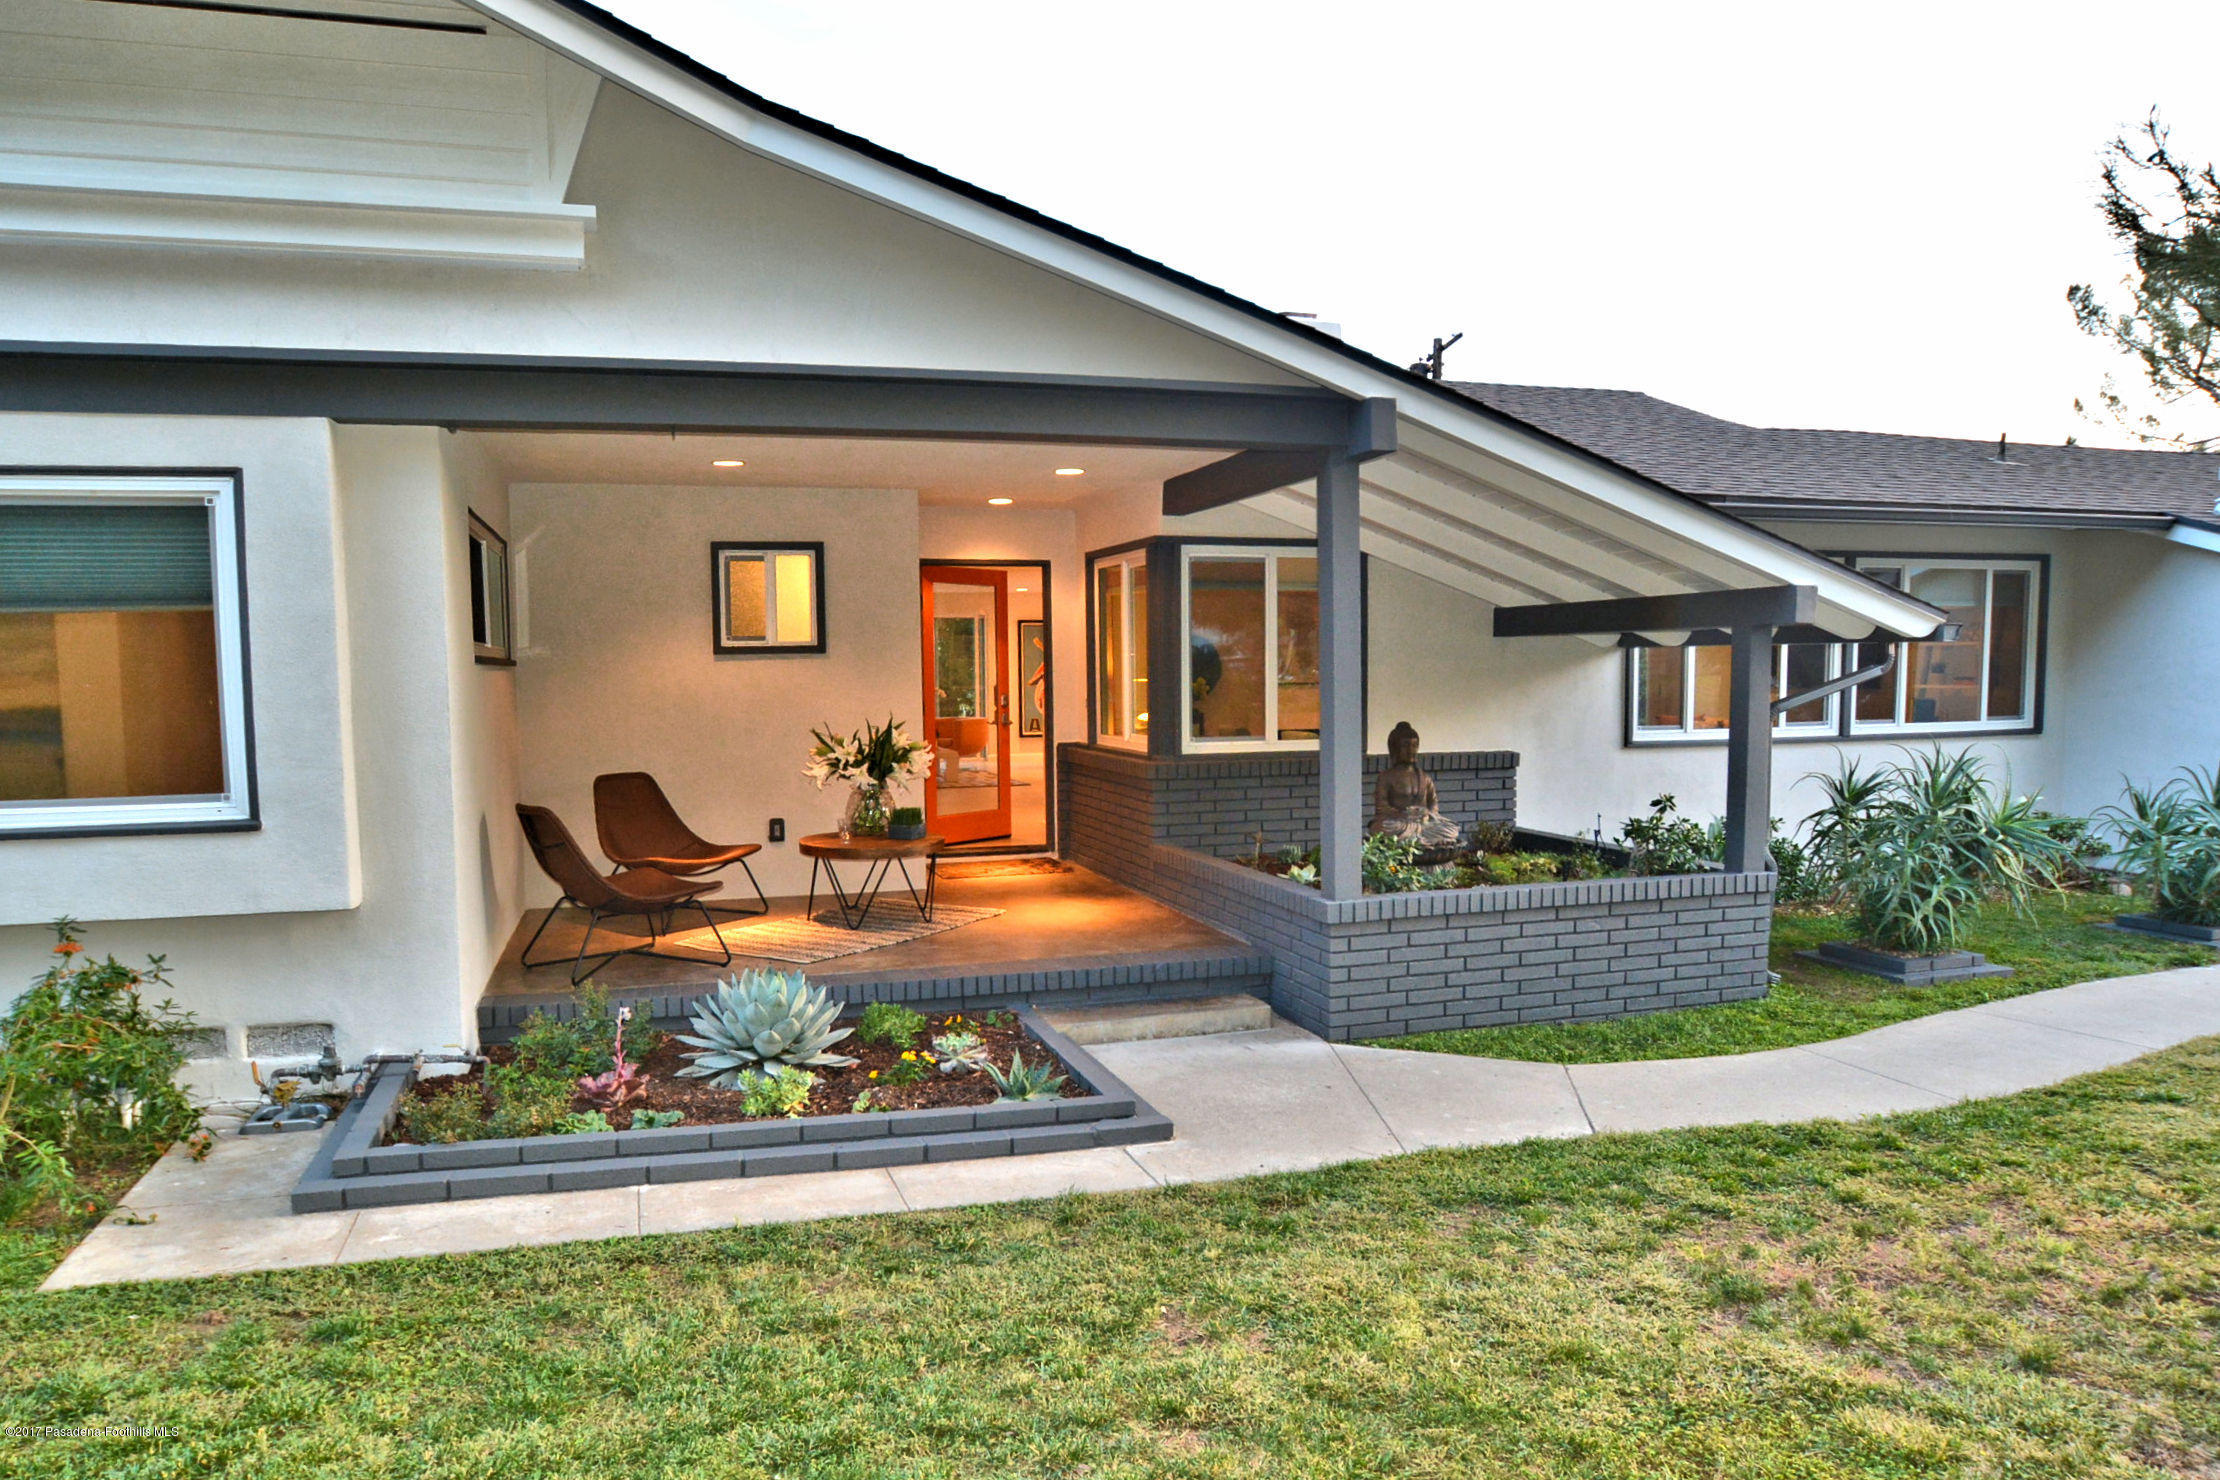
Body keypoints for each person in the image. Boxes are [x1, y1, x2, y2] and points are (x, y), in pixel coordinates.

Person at [1368, 721, 1460, 848]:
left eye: (1415, 745)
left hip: (1423, 824)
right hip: (1399, 823)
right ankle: (1419, 841)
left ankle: (1414, 841)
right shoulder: (1386, 777)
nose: (1411, 750)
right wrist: (1403, 815)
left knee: (1451, 829)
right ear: (1395, 748)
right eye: (1405, 746)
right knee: (1382, 827)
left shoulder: (1424, 778)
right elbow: (1381, 807)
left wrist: (1427, 814)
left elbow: (1433, 803)